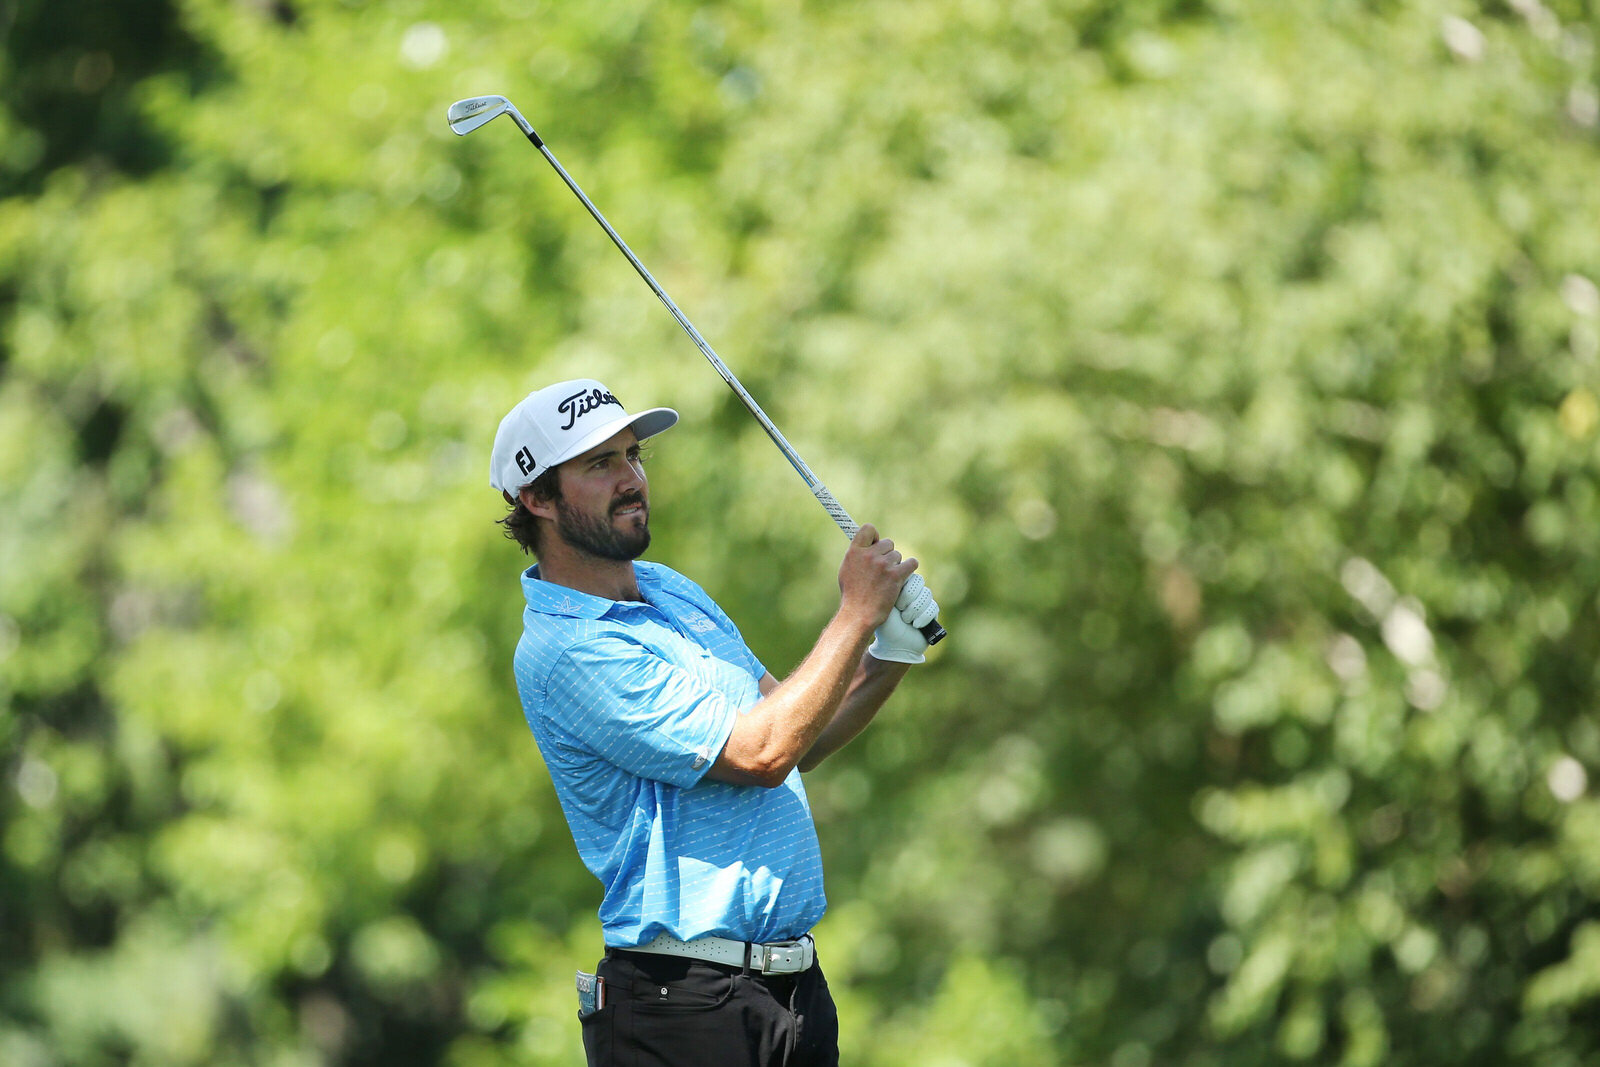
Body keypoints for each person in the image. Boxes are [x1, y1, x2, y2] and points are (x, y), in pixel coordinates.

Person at [489, 378, 938, 1067]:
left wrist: (889, 652)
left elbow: (798, 732)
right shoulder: (563, 649)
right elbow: (761, 752)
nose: (632, 478)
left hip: (792, 994)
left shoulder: (670, 588)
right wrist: (854, 613)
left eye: (633, 455)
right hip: (681, 1009)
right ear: (537, 499)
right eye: (599, 464)